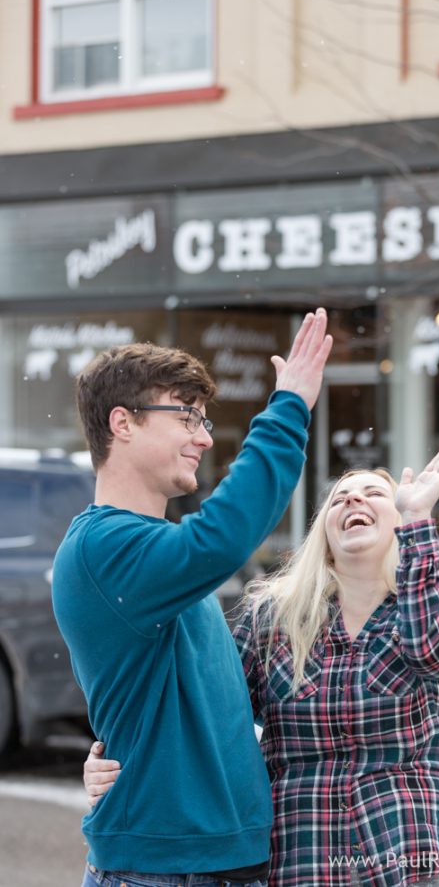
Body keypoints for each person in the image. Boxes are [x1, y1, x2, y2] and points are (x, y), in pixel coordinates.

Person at [85, 447, 439, 886]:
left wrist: (418, 520)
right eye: (340, 498)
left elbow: (436, 653)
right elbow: (209, 717)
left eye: (373, 494)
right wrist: (121, 760)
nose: (354, 501)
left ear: (400, 522)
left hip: (405, 858)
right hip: (302, 860)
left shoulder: (434, 605)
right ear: (323, 534)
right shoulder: (272, 617)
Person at [52, 308, 333, 887]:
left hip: (218, 863)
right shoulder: (102, 548)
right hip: (161, 870)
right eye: (187, 417)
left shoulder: (155, 555)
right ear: (123, 423)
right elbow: (221, 538)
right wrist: (288, 409)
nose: (204, 437)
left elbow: (207, 693)